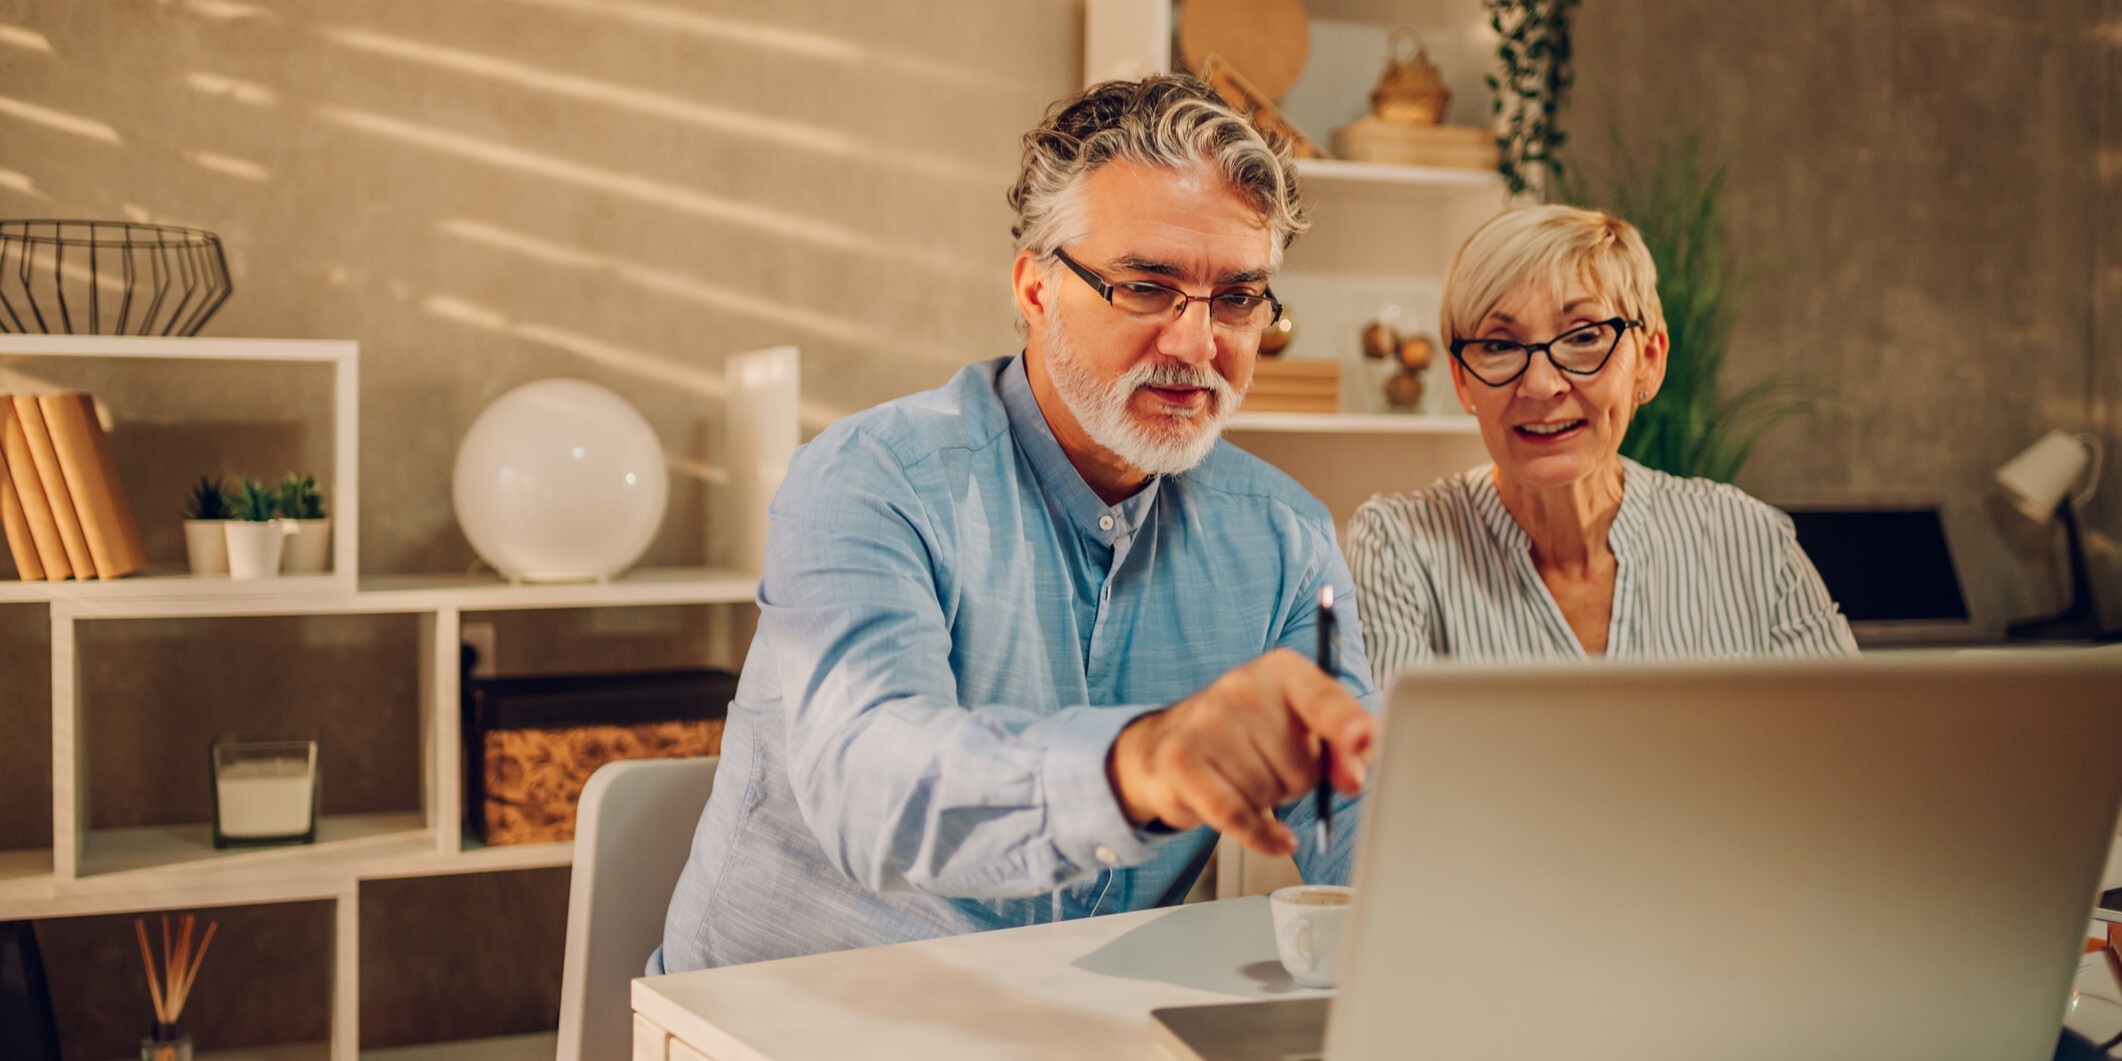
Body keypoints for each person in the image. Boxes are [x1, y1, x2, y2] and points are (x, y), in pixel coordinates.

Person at [656, 76, 1378, 973]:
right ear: (1036, 287)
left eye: (1237, 298)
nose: (1198, 348)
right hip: (782, 1018)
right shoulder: (873, 480)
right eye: (1147, 286)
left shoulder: (1282, 536)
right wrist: (1135, 765)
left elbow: (1359, 822)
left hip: (1067, 1022)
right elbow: (872, 785)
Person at [1347, 204, 1857, 673]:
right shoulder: (1400, 547)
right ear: (1462, 379)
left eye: (1584, 337)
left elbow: (1852, 752)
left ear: (1650, 361)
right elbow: (1382, 765)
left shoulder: (1747, 539)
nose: (1542, 385)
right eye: (1500, 345)